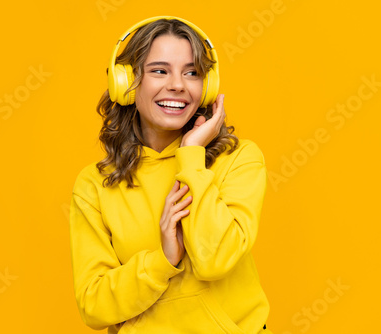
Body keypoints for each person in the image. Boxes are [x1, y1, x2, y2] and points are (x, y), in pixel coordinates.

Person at [69, 16, 272, 334]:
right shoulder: (94, 185)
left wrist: (191, 155)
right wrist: (162, 260)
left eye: (192, 72)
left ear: (207, 87)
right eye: (159, 70)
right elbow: (94, 305)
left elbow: (215, 260)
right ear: (126, 83)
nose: (178, 84)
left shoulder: (239, 159)